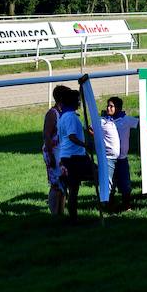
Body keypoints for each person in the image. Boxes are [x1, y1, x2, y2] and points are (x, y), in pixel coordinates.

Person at [57, 89, 92, 223]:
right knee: (97, 174)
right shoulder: (70, 116)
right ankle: (106, 202)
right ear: (71, 102)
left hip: (69, 156)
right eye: (77, 100)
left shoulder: (64, 116)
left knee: (73, 189)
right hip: (74, 157)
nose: (79, 102)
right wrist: (85, 145)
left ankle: (73, 218)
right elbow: (72, 136)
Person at [107, 96, 138, 211]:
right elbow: (90, 128)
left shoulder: (126, 120)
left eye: (111, 106)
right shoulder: (105, 121)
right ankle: (109, 206)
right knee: (110, 184)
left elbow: (141, 125)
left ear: (119, 108)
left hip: (122, 159)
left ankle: (126, 205)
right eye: (108, 106)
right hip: (109, 159)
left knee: (125, 183)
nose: (108, 108)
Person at [42, 86, 66, 216]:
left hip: (60, 153)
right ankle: (55, 213)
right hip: (52, 152)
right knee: (56, 184)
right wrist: (51, 155)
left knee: (63, 183)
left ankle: (60, 211)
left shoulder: (63, 113)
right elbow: (47, 136)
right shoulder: (52, 114)